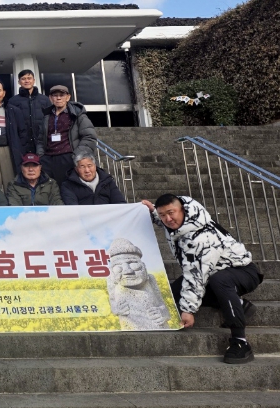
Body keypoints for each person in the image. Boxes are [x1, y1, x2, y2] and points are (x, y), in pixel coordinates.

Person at [142, 194, 263, 364]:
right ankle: (240, 305)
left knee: (218, 281)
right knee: (173, 295)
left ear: (182, 210)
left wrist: (189, 310)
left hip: (241, 271)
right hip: (211, 272)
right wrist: (152, 212)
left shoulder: (201, 238)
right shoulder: (181, 222)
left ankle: (240, 341)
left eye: (171, 213)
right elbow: (165, 220)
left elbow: (196, 276)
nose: (167, 219)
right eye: (163, 215)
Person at [37, 84, 97, 187]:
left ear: (68, 97)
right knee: (51, 190)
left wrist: (76, 155)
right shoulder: (46, 117)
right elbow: (40, 140)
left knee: (70, 189)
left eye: (62, 95)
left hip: (69, 158)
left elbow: (89, 137)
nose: (58, 98)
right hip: (48, 160)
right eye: (55, 95)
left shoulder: (78, 115)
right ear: (50, 98)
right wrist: (41, 156)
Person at [8, 69, 51, 155]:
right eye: (23, 79)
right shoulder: (13, 101)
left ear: (34, 80)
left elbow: (50, 119)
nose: (26, 81)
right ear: (19, 82)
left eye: (29, 78)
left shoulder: (45, 99)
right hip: (21, 142)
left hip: (41, 142)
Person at [61, 149, 126, 205]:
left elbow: (120, 203)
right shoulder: (68, 185)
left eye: (89, 166)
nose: (87, 170)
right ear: (76, 169)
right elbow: (72, 208)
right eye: (82, 167)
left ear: (95, 166)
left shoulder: (108, 181)